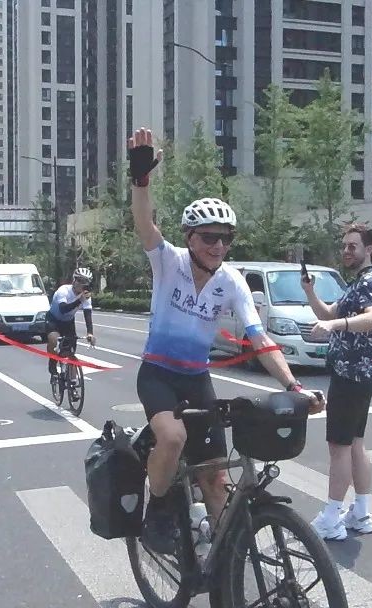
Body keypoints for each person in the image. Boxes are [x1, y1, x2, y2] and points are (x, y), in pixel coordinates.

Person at [126, 128, 325, 554]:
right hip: (158, 374)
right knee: (173, 438)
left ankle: (229, 567)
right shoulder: (168, 262)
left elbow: (260, 338)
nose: (218, 245)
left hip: (196, 379)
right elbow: (144, 223)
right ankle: (158, 510)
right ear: (189, 238)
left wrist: (293, 386)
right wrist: (140, 180)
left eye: (225, 238)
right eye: (209, 237)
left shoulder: (232, 281)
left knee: (216, 478)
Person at [304, 223, 372, 541]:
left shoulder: (370, 282)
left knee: (338, 447)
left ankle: (331, 517)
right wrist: (310, 291)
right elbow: (327, 312)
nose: (346, 251)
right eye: (344, 246)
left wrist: (336, 325)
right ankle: (360, 512)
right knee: (354, 443)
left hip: (352, 375)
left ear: (369, 250)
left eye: (353, 246)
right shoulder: (358, 284)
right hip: (359, 375)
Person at [45, 268, 97, 381]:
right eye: (79, 280)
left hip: (68, 322)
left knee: (71, 353)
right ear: (74, 280)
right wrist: (79, 301)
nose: (81, 284)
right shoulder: (63, 290)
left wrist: (90, 333)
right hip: (54, 320)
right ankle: (52, 363)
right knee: (54, 341)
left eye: (85, 282)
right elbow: (63, 309)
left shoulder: (86, 296)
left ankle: (72, 383)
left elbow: (88, 315)